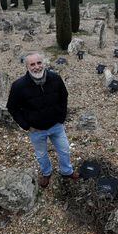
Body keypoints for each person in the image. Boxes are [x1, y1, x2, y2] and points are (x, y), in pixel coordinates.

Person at [7, 52, 79, 188]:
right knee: (41, 155)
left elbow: (64, 97)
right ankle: (46, 173)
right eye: (32, 64)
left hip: (56, 126)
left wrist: (61, 117)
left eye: (39, 63)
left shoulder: (55, 78)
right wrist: (26, 125)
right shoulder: (18, 86)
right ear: (27, 66)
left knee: (64, 150)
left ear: (43, 63)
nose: (37, 67)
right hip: (36, 130)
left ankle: (67, 171)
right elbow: (12, 107)